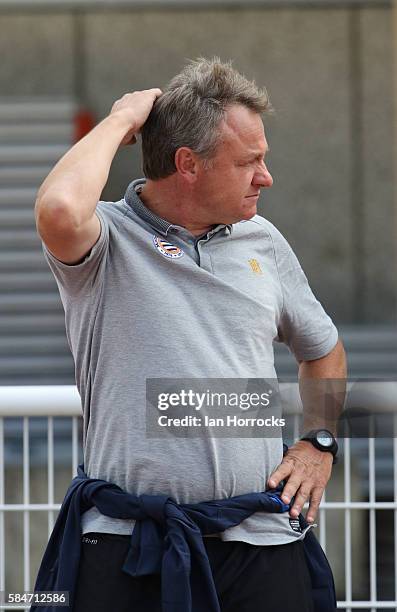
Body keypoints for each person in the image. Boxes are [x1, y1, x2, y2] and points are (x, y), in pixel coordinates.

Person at [35, 57, 346, 611]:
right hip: (128, 544)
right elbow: (58, 206)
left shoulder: (263, 240)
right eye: (249, 162)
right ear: (188, 165)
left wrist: (317, 441)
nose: (266, 177)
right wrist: (119, 120)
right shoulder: (106, 240)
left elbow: (322, 351)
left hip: (259, 539)